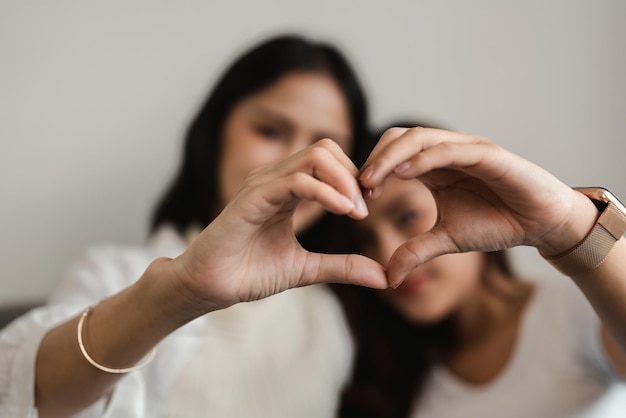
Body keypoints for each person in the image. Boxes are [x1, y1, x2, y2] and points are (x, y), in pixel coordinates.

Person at [0, 34, 387, 418]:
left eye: (329, 146)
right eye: (270, 131)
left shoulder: (329, 317)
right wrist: (180, 291)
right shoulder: (110, 273)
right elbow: (27, 397)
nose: (299, 163)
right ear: (216, 132)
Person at [332, 124, 626, 418]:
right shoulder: (387, 378)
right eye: (363, 241)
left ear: (472, 198)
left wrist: (567, 224)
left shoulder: (572, 309)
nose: (386, 254)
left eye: (407, 216)